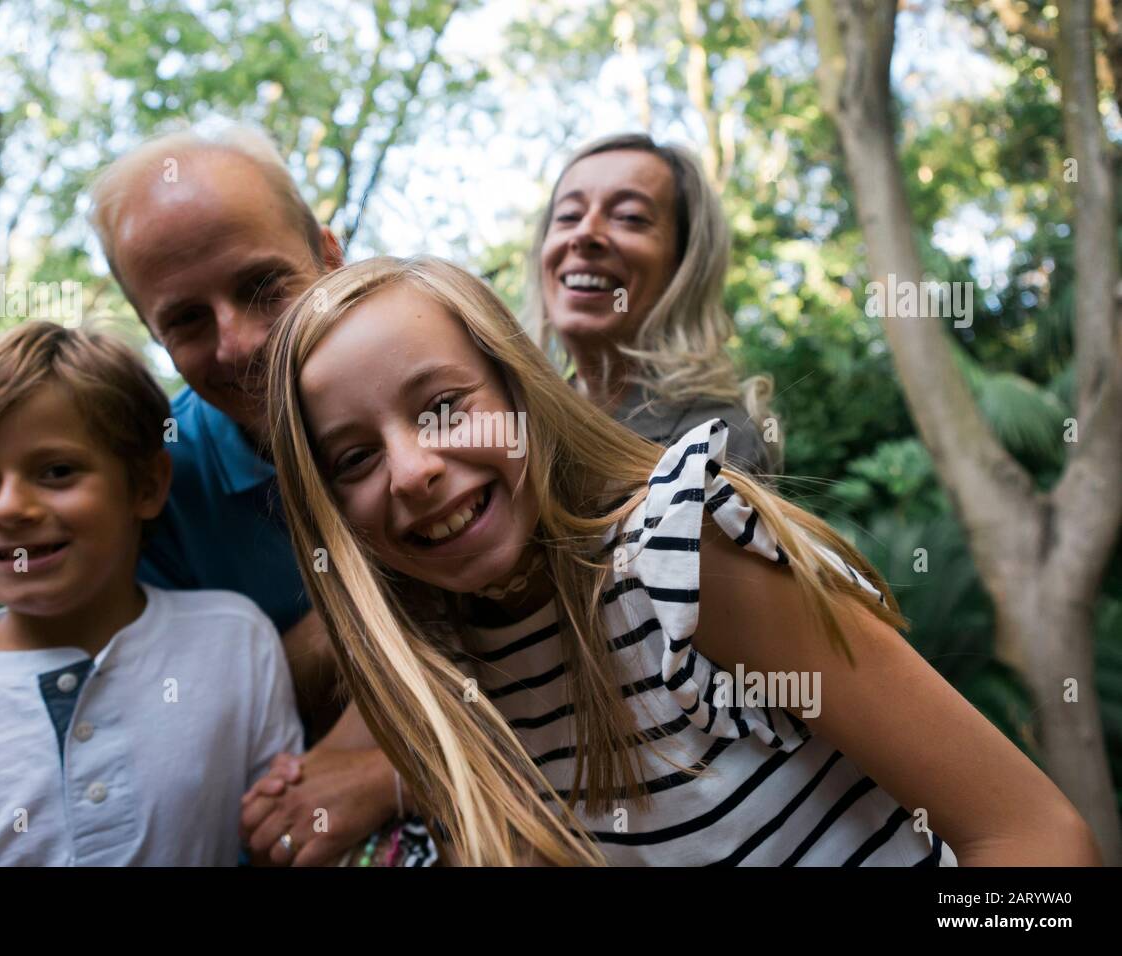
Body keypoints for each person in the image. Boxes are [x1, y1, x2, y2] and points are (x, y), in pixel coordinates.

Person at [263, 255, 1101, 866]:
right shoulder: (443, 673)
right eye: (354, 459)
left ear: (523, 391)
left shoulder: (680, 558)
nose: (411, 470)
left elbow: (1034, 838)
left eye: (445, 407)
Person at [0, 322, 302, 865]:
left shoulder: (235, 642)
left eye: (56, 471)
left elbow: (278, 834)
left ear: (145, 486)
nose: (8, 509)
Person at [88, 125, 432, 866]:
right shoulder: (158, 493)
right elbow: (187, 735)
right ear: (155, 335)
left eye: (263, 287)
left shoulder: (450, 397)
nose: (239, 344)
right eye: (185, 320)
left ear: (329, 256)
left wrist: (395, 770)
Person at [523, 132, 777, 473]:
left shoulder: (716, 439)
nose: (584, 234)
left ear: (683, 264)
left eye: (630, 216)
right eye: (568, 215)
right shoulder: (519, 419)